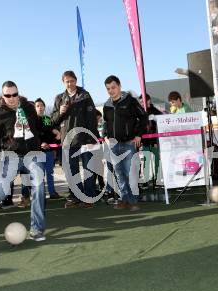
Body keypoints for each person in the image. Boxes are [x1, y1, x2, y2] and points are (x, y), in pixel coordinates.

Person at [0, 81, 46, 242]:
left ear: (18, 93)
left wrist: (52, 129)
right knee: (1, 191)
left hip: (33, 155)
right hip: (11, 156)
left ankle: (37, 228)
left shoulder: (29, 108)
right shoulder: (0, 115)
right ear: (3, 96)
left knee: (39, 186)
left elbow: (40, 125)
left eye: (15, 94)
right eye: (8, 95)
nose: (12, 98)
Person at [51, 70, 100, 208]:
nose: (70, 83)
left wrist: (92, 139)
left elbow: (92, 119)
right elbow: (53, 120)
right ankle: (75, 197)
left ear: (76, 81)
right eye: (67, 81)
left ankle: (89, 197)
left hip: (84, 139)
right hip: (67, 141)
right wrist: (60, 112)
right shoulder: (59, 98)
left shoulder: (85, 95)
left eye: (72, 81)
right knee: (72, 171)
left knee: (88, 169)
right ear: (63, 82)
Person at [103, 75, 148, 211]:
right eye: (108, 88)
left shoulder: (130, 101)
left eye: (113, 87)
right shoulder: (107, 105)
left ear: (119, 86)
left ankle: (133, 201)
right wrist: (105, 135)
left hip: (129, 143)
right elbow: (106, 123)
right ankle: (124, 200)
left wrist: (139, 135)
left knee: (130, 174)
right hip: (113, 145)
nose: (111, 90)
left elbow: (143, 117)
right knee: (119, 174)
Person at [19, 98, 62, 207]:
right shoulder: (32, 120)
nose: (40, 107)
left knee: (50, 172)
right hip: (38, 151)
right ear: (34, 108)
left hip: (50, 151)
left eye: (42, 105)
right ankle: (39, 195)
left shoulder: (48, 118)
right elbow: (34, 134)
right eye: (37, 105)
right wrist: (41, 143)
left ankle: (52, 193)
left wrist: (55, 138)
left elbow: (51, 131)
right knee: (38, 174)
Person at [138, 93, 162, 187]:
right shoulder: (139, 111)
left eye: (143, 101)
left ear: (148, 100)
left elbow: (162, 119)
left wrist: (156, 118)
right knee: (146, 160)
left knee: (156, 160)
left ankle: (157, 179)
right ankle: (146, 179)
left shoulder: (154, 110)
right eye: (140, 102)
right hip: (145, 141)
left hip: (155, 140)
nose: (142, 104)